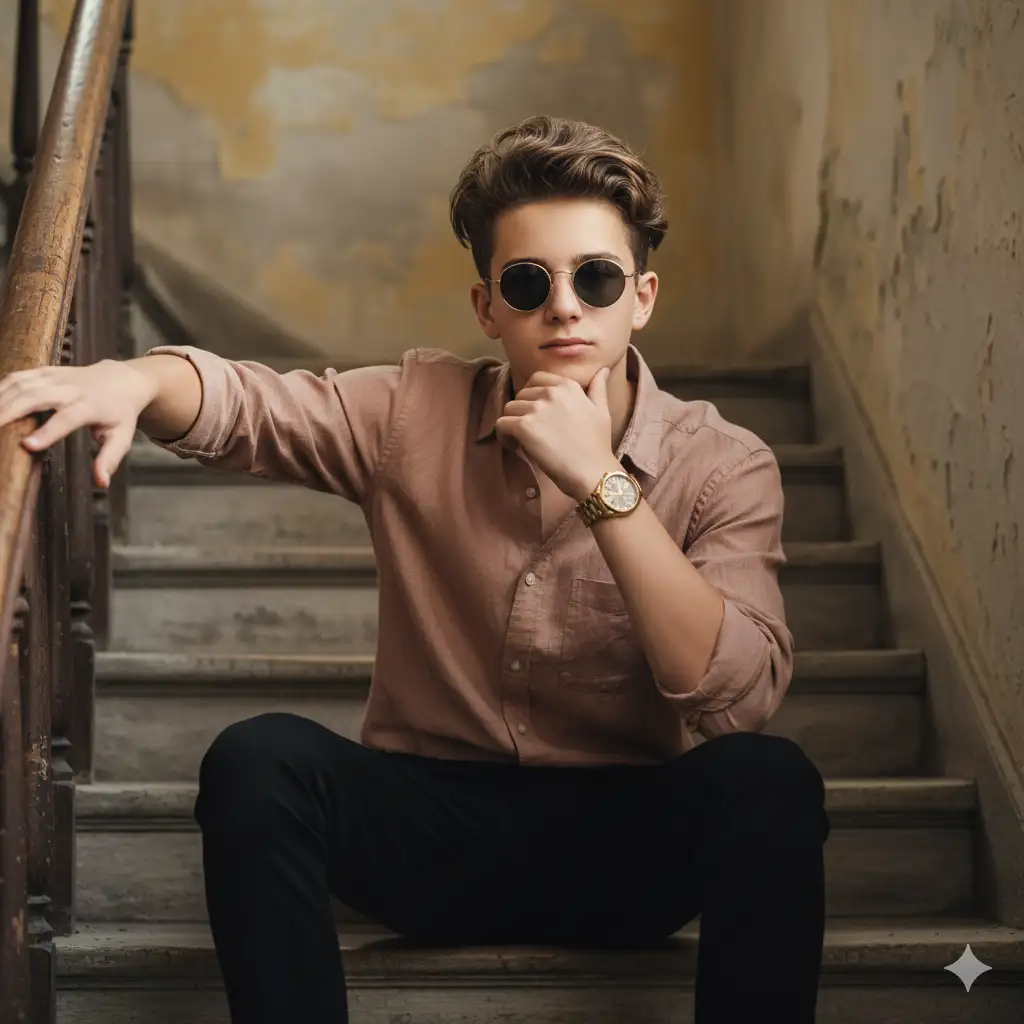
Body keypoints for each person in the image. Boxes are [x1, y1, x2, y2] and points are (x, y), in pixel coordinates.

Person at [0, 115, 830, 1023]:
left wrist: (601, 483)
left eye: (596, 279)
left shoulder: (725, 462)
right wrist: (134, 380)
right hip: (431, 830)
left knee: (769, 780)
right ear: (487, 308)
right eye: (528, 282)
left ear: (642, 297)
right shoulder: (415, 408)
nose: (565, 307)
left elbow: (733, 694)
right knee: (259, 759)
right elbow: (249, 406)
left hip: (624, 844)